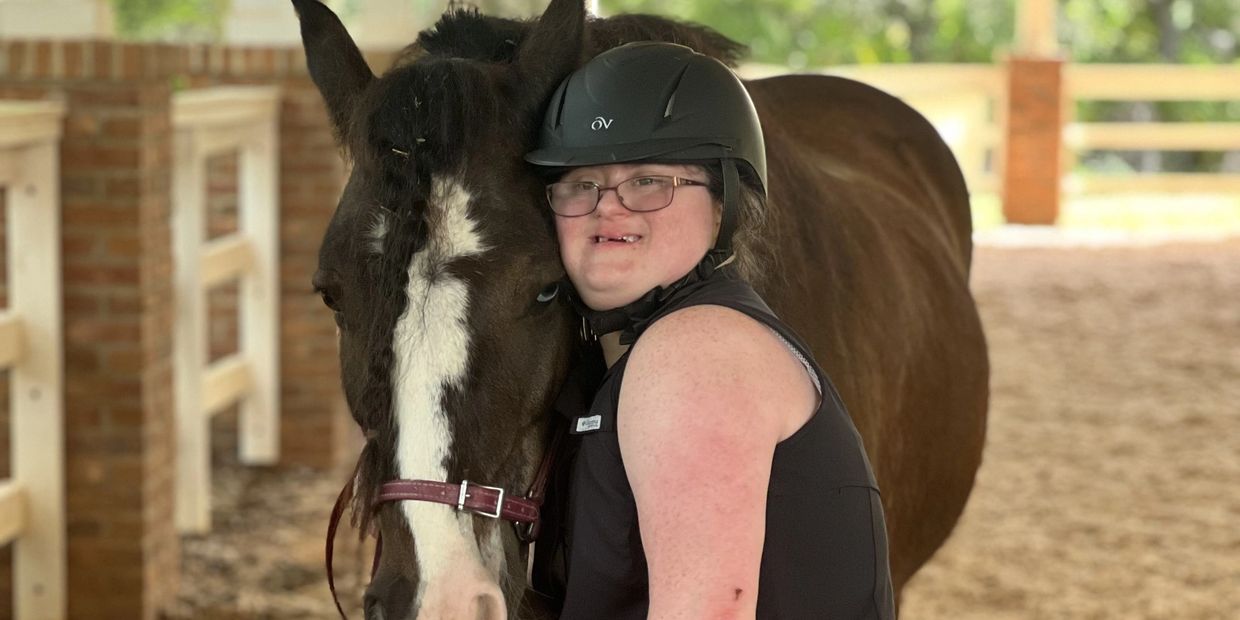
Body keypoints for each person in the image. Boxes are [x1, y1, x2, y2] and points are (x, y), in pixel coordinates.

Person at [525, 41, 895, 619]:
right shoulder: (661, 349)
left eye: (649, 181)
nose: (608, 207)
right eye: (580, 184)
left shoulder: (692, 353)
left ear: (722, 208)